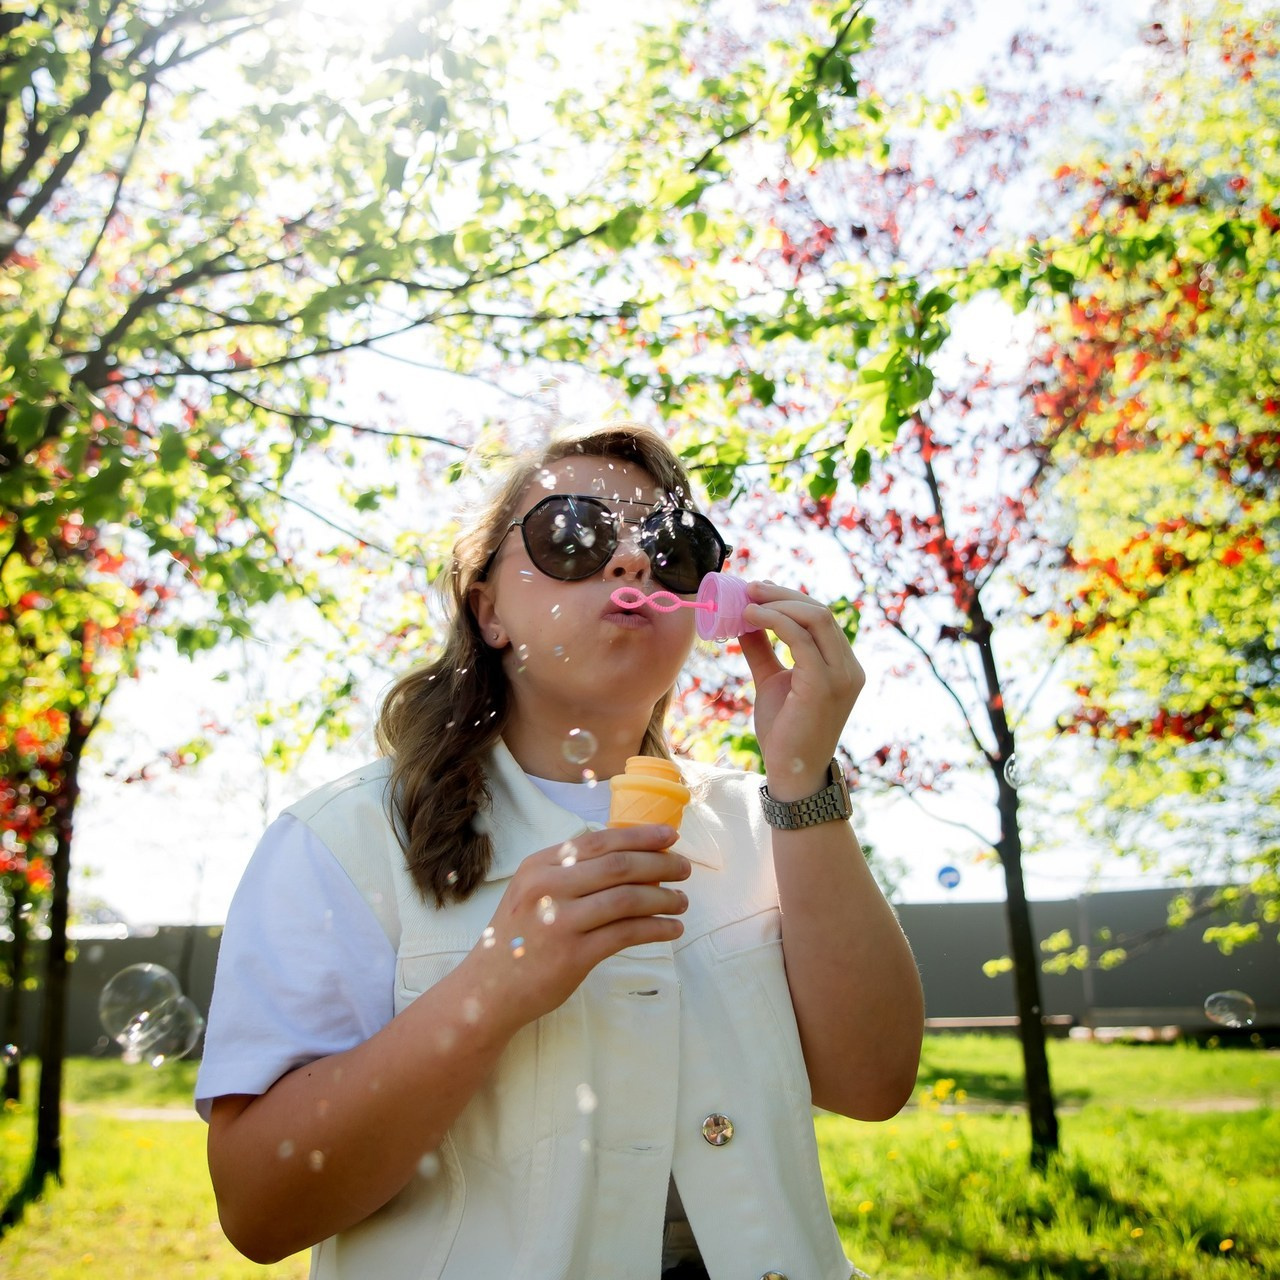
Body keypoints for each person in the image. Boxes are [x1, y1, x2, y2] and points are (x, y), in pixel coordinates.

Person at [196, 421, 924, 1279]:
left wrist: (803, 777)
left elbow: (873, 1084)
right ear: (489, 609)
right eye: (573, 536)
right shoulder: (342, 843)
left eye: (673, 546)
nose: (632, 563)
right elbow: (260, 1207)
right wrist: (494, 985)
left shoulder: (767, 819)